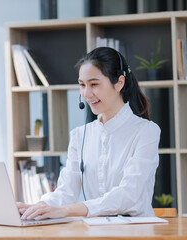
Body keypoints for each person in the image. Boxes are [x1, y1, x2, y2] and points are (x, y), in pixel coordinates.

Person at [17, 47, 161, 220]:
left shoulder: (146, 131)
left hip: (136, 231)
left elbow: (129, 194)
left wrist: (68, 210)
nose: (86, 93)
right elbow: (66, 191)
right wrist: (38, 207)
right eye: (82, 85)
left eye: (94, 84)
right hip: (95, 231)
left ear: (119, 83)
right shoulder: (80, 135)